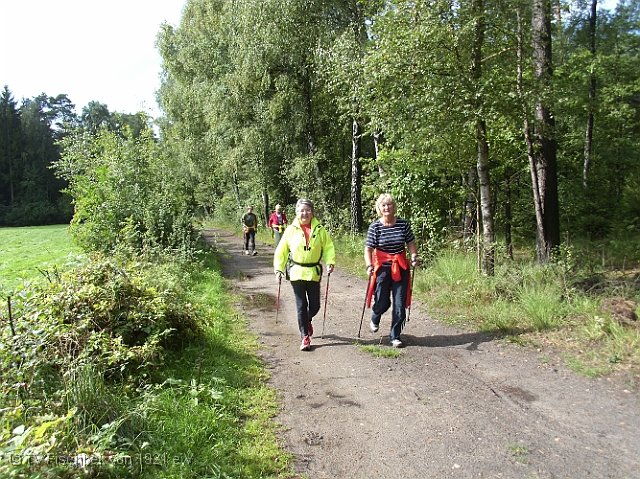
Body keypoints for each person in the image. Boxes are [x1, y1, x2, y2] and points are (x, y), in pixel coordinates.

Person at [274, 199, 335, 351]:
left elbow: (328, 247)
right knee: (301, 305)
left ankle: (307, 320)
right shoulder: (290, 230)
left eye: (308, 210)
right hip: (296, 272)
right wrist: (279, 269)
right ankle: (305, 337)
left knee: (315, 306)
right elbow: (281, 250)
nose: (305, 213)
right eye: (301, 210)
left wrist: (330, 261)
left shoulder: (320, 230)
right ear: (297, 212)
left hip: (313, 272)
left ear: (312, 212)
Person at [364, 193, 419, 348]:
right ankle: (376, 315)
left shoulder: (403, 224)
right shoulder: (375, 227)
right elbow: (368, 249)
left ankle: (395, 336)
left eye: (389, 204)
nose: (387, 207)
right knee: (382, 302)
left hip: (400, 268)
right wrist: (369, 265)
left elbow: (411, 242)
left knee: (400, 305)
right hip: (382, 269)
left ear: (394, 207)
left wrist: (413, 256)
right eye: (383, 205)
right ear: (379, 208)